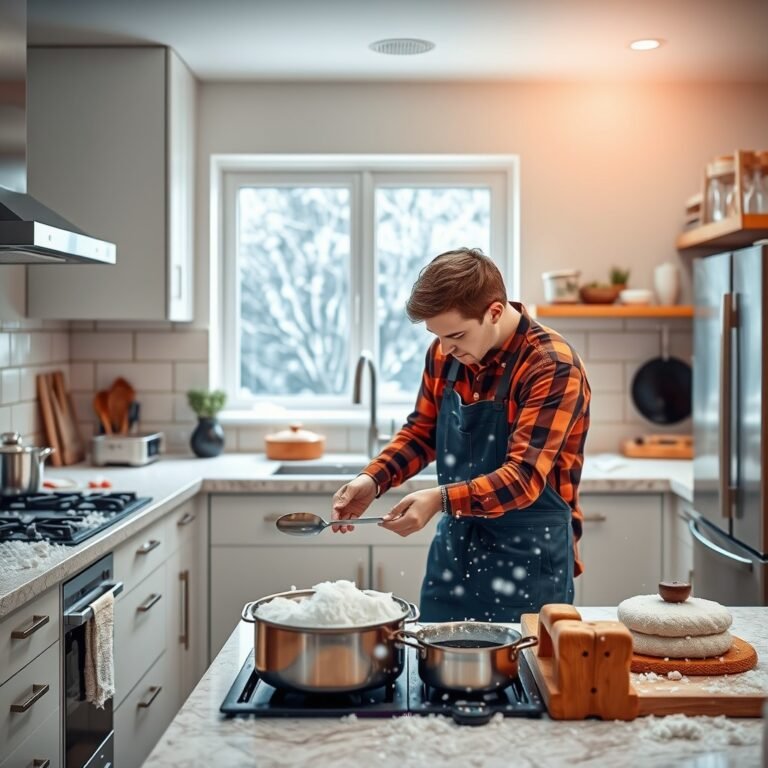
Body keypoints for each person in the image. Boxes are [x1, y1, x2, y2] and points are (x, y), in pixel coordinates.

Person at [331, 248, 591, 622]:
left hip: (530, 563)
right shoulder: (446, 353)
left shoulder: (551, 365)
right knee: (438, 673)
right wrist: (372, 479)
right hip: (455, 555)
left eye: (455, 335)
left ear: (495, 312)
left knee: (525, 677)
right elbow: (423, 432)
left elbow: (523, 479)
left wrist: (439, 499)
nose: (446, 349)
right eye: (437, 337)